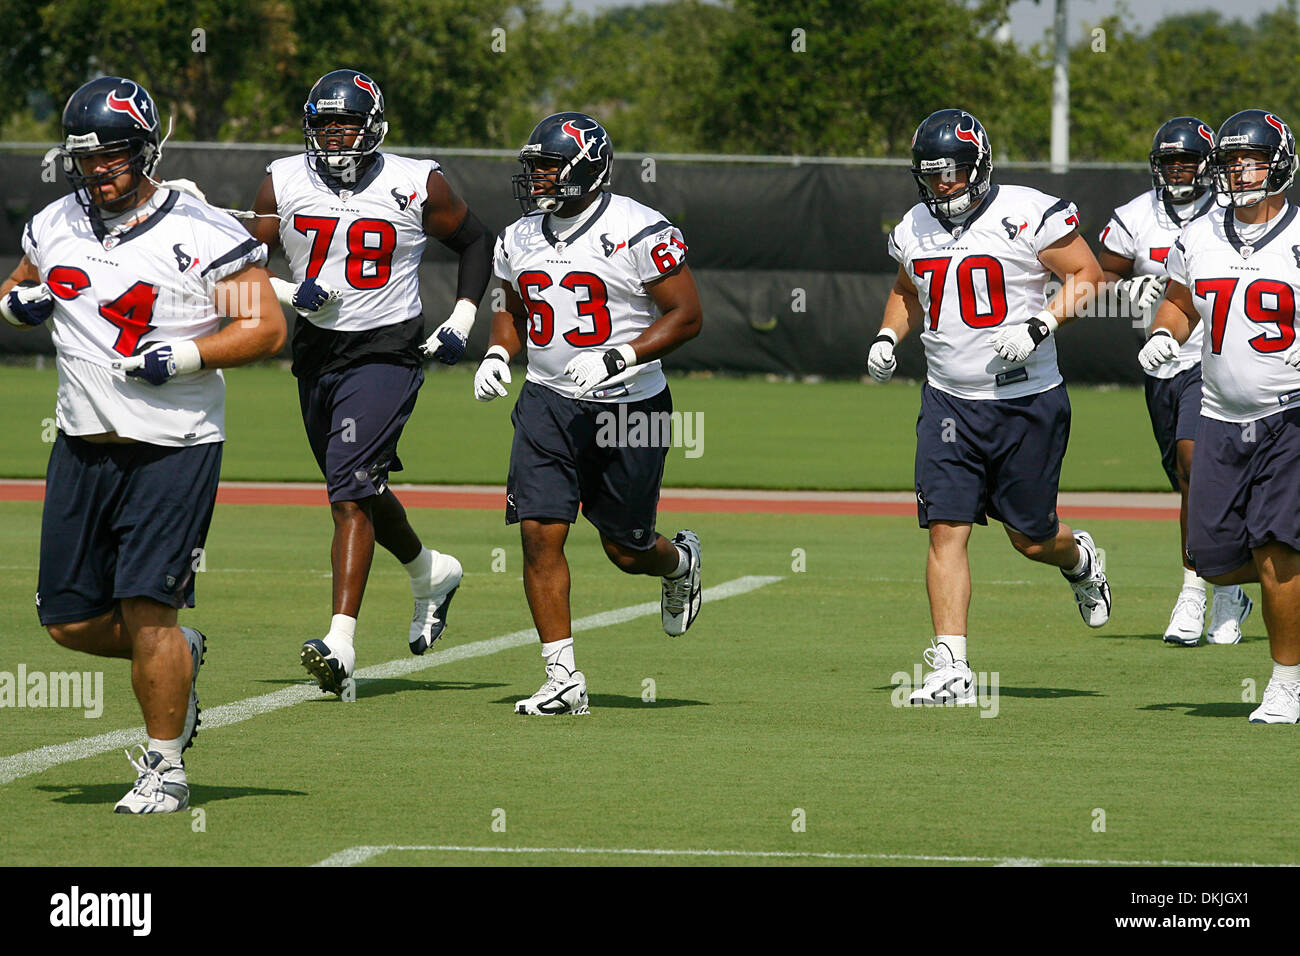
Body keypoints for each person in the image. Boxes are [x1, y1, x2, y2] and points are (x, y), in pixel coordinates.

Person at [1, 76, 284, 811]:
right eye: (88, 158)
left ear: (146, 151)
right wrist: (18, 305)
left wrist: (186, 357)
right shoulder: (57, 221)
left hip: (173, 445)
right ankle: (178, 661)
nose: (100, 170)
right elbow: (18, 288)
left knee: (147, 606)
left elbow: (264, 327)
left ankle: (165, 768)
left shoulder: (198, 232)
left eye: (116, 155)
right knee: (67, 622)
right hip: (81, 444)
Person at [244, 69, 492, 695]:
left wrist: (463, 319)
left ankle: (341, 641)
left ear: (373, 125)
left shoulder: (416, 180)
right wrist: (286, 290)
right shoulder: (283, 178)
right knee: (356, 480)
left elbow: (475, 240)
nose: (336, 134)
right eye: (325, 123)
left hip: (386, 351)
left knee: (349, 491)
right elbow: (241, 263)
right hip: (317, 354)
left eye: (347, 122)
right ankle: (429, 571)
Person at [868, 108, 1112, 705]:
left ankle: (1079, 557)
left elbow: (1089, 274)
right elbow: (907, 290)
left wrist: (1039, 323)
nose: (941, 184)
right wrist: (886, 335)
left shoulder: (1025, 211)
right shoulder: (914, 227)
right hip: (949, 402)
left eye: (951, 171)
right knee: (946, 529)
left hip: (1026, 402)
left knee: (1031, 539)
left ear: (978, 165)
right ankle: (952, 667)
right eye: (930, 173)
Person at [474, 111, 703, 715]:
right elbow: (509, 299)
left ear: (587, 170)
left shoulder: (640, 229)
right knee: (538, 533)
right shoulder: (518, 235)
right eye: (535, 168)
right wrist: (499, 350)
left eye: (549, 167)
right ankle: (562, 676)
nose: (538, 180)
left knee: (627, 551)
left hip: (631, 406)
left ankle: (678, 561)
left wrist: (618, 356)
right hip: (547, 402)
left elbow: (687, 316)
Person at [1141, 109, 1300, 723]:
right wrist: (1164, 331)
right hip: (1218, 417)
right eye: (1232, 160)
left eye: (1253, 159)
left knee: (1277, 548)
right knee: (1211, 556)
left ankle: (1285, 683)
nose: (1241, 171)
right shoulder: (1200, 235)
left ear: (1279, 162)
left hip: (1289, 416)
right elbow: (1181, 300)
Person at [1099, 116, 1253, 646]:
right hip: (1160, 361)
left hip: (1212, 361)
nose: (1179, 171)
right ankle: (1229, 580)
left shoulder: (1230, 213)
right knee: (1188, 478)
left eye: (1188, 161)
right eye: (1169, 162)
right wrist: (1128, 294)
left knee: (1193, 460)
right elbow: (1096, 280)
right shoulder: (1135, 216)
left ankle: (1200, 587)